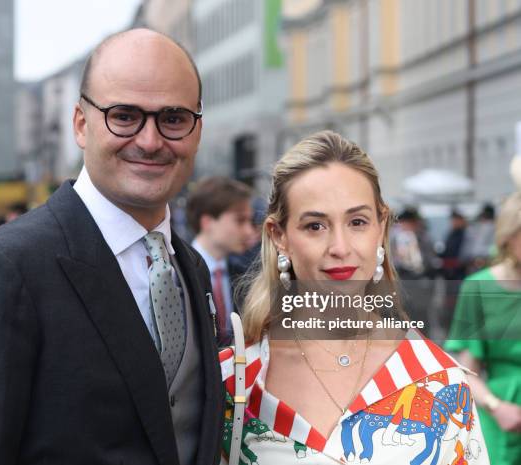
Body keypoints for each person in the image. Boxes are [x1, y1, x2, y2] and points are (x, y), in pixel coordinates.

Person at [0, 29, 224, 465]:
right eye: (124, 115)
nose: (150, 141)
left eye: (172, 118)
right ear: (81, 124)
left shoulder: (189, 265)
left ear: (197, 129)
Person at [219, 131, 488, 464]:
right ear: (279, 236)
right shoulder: (232, 383)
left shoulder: (438, 380)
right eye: (315, 226)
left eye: (357, 222)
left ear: (381, 227)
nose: (340, 248)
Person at [446, 192, 521, 465]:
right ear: (508, 235)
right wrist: (496, 406)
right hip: (502, 415)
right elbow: (466, 369)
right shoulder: (478, 287)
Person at [186, 176, 254, 346]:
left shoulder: (243, 274)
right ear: (208, 222)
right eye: (240, 220)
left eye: (249, 221)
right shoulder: (177, 272)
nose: (248, 231)